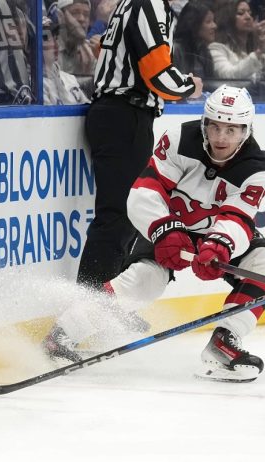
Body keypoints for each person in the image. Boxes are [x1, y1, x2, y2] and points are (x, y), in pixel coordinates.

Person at [44, 84, 265, 383]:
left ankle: (225, 341)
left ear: (246, 130)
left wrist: (218, 245)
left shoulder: (256, 168)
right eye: (215, 127)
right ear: (204, 124)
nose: (222, 137)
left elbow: (238, 217)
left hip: (216, 232)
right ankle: (62, 334)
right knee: (145, 282)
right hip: (169, 226)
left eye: (232, 129)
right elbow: (144, 192)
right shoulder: (179, 140)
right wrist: (164, 229)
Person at [75, 0, 202, 291]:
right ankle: (84, 312)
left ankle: (99, 306)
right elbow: (156, 72)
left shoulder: (133, 2)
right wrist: (188, 85)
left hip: (119, 114)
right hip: (125, 115)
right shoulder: (150, 3)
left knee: (121, 216)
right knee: (118, 216)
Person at [209, 0, 265, 102]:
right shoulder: (217, 49)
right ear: (228, 18)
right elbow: (228, 77)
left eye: (249, 13)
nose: (248, 17)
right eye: (241, 13)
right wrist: (258, 53)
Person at [42, 15, 90, 105]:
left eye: (56, 38)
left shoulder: (70, 79)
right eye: (46, 38)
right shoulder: (35, 87)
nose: (55, 44)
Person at [0, 0, 34, 105]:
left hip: (22, 100)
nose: (19, 30)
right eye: (13, 24)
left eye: (21, 23)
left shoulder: (19, 11)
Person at [173, 0, 217, 91]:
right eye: (208, 22)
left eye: (213, 21)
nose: (214, 26)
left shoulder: (204, 51)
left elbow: (210, 86)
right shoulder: (175, 50)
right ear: (193, 24)